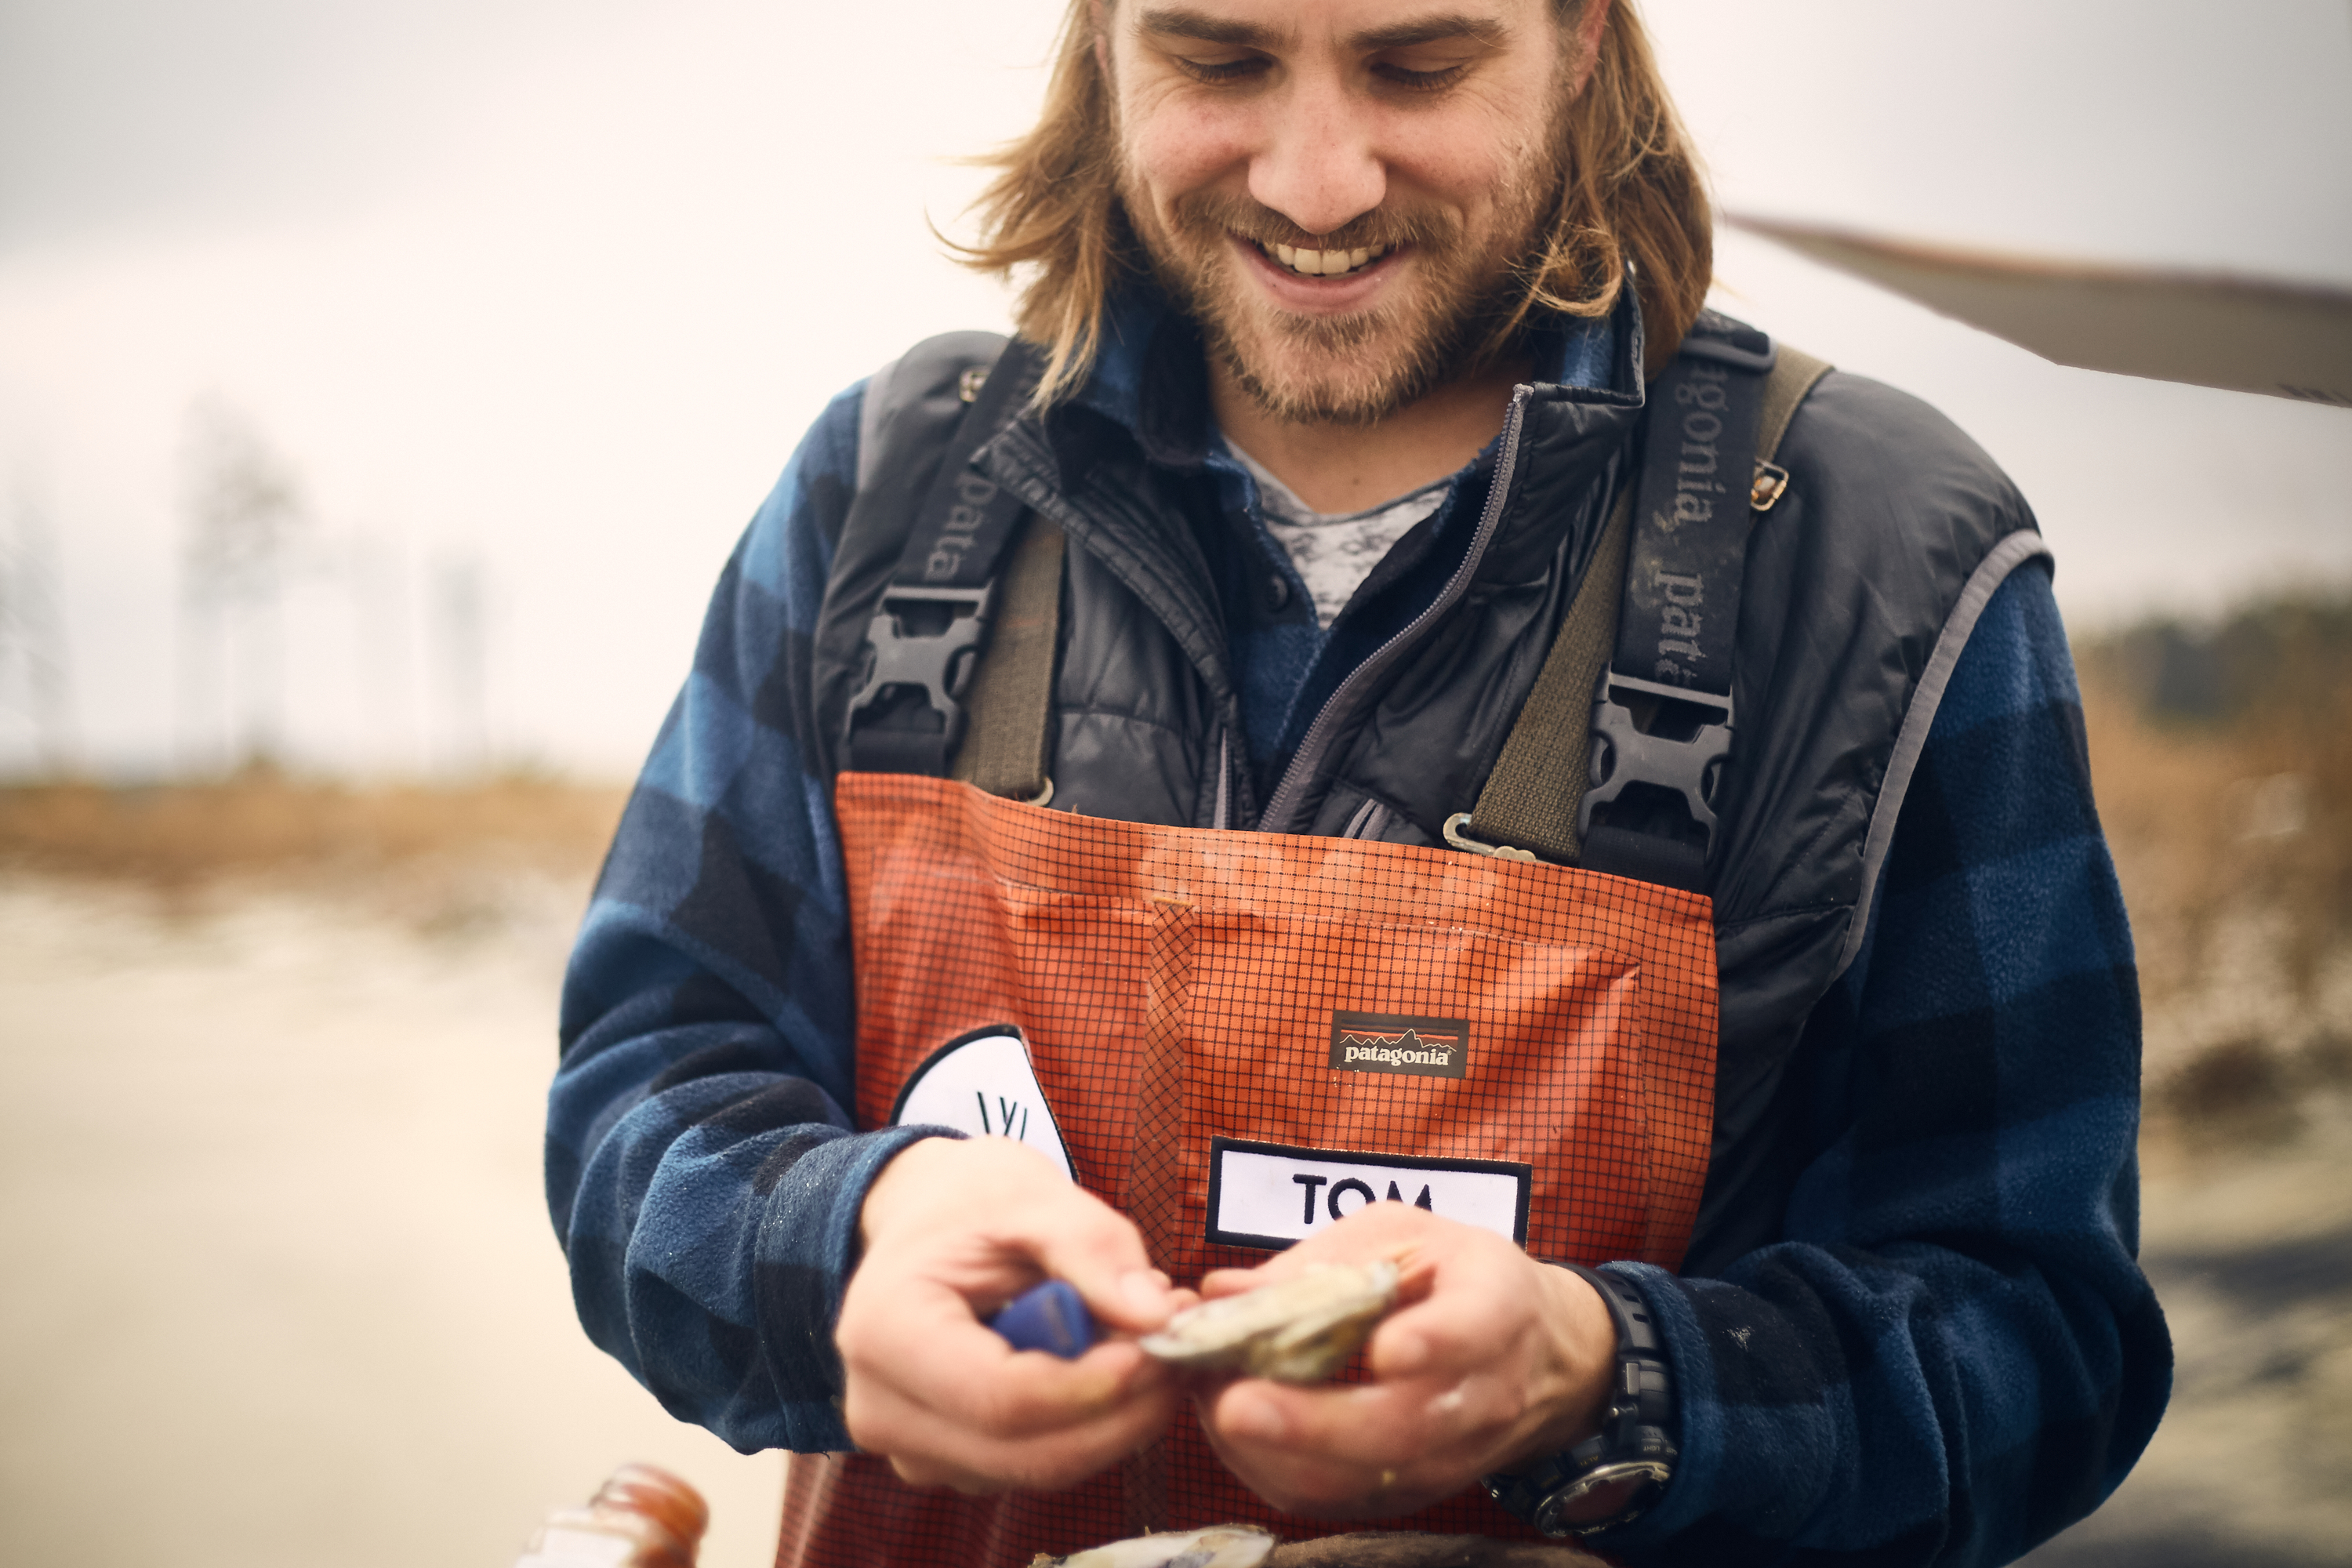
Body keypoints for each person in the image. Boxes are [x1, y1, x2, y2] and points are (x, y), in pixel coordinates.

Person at [548, 1, 2172, 1563]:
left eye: (1415, 64)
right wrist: (849, 1237)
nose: (1314, 182)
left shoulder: (1885, 560)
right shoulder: (883, 493)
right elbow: (643, 1094)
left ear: (1581, 35)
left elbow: (2041, 1339)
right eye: (1221, 57)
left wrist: (1610, 1373)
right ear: (1106, 32)